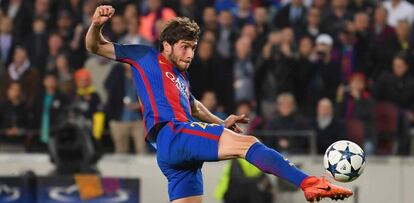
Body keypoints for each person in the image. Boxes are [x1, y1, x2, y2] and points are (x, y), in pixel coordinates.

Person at [85, 5, 353, 203]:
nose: (190, 54)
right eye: (185, 47)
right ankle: (310, 182)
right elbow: (95, 46)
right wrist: (97, 24)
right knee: (248, 144)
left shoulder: (181, 77)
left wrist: (221, 122)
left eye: (193, 48)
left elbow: (195, 106)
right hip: (174, 134)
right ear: (166, 45)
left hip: (175, 154)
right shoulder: (144, 56)